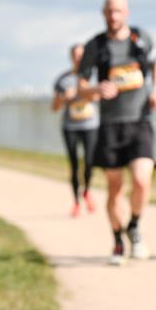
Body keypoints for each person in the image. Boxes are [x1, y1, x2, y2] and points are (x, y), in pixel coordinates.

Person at [77, 0, 156, 266]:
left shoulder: (141, 40)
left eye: (118, 11)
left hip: (140, 121)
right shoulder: (95, 46)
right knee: (115, 188)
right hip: (110, 125)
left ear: (126, 12)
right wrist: (95, 89)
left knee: (142, 179)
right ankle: (117, 240)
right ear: (103, 14)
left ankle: (134, 226)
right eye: (109, 12)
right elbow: (81, 86)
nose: (113, 16)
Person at [53, 43, 100, 217]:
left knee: (89, 161)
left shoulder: (94, 75)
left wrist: (83, 92)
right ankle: (76, 202)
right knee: (73, 164)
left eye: (82, 55)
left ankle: (86, 190)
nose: (79, 59)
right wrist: (65, 98)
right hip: (70, 126)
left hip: (90, 125)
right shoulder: (62, 79)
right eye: (76, 56)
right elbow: (55, 106)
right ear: (71, 57)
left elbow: (98, 95)